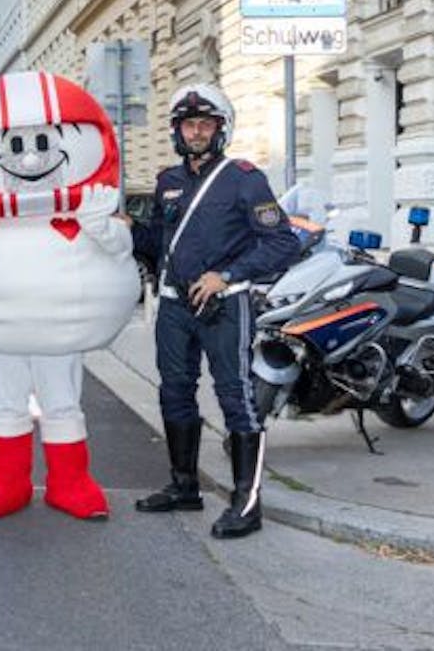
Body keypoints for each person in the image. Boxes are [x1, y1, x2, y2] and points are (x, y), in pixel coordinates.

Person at [130, 83, 300, 539]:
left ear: (221, 129)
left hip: (225, 304)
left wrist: (225, 275)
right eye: (190, 124)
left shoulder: (245, 178)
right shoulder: (168, 181)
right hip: (174, 306)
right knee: (174, 392)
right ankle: (184, 486)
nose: (198, 132)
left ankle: (247, 504)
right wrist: (126, 228)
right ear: (178, 130)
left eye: (206, 124)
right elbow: (157, 245)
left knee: (236, 399)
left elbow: (284, 242)